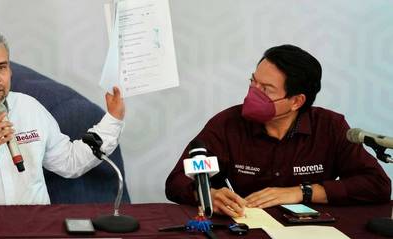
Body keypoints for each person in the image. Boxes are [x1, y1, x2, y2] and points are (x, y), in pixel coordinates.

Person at [165, 44, 391, 217]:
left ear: (296, 101)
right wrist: (207, 195)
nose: (254, 93)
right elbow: (176, 182)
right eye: (254, 82)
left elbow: (377, 185)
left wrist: (303, 192)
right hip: (250, 226)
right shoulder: (228, 124)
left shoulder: (330, 127)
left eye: (267, 89)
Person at [0, 29, 125, 206]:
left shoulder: (29, 108)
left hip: (36, 229)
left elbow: (69, 162)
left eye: (1, 67)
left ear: (9, 70)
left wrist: (113, 119)